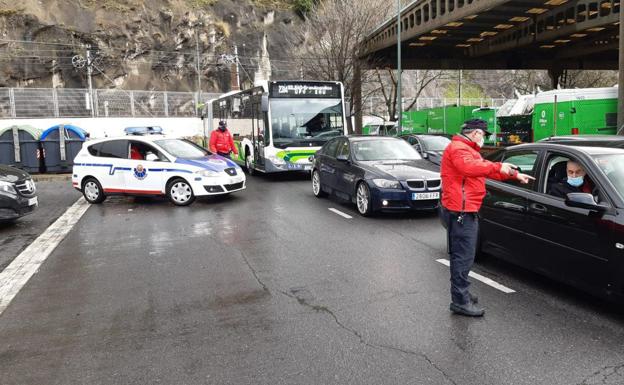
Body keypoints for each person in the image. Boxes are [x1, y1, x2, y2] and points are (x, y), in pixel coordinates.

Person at [440, 119, 534, 317]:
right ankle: (459, 300)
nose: (484, 138)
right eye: (483, 134)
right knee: (463, 258)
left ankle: (461, 293)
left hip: (463, 210)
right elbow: (471, 168)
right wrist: (499, 167)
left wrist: (514, 174)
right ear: (475, 133)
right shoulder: (459, 149)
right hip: (461, 212)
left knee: (462, 256)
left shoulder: (466, 149)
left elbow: (481, 169)